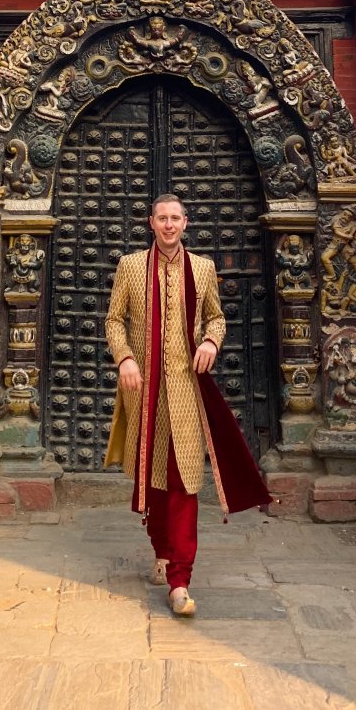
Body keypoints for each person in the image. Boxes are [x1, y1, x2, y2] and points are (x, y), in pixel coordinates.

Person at [104, 194, 270, 617]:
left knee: (184, 480)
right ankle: (161, 549)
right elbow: (114, 320)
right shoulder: (130, 266)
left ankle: (180, 580)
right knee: (153, 478)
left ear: (186, 222)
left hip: (185, 391)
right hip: (144, 390)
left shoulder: (202, 268)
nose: (168, 225)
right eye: (161, 218)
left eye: (175, 218)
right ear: (150, 222)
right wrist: (125, 358)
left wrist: (212, 341)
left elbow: (216, 317)